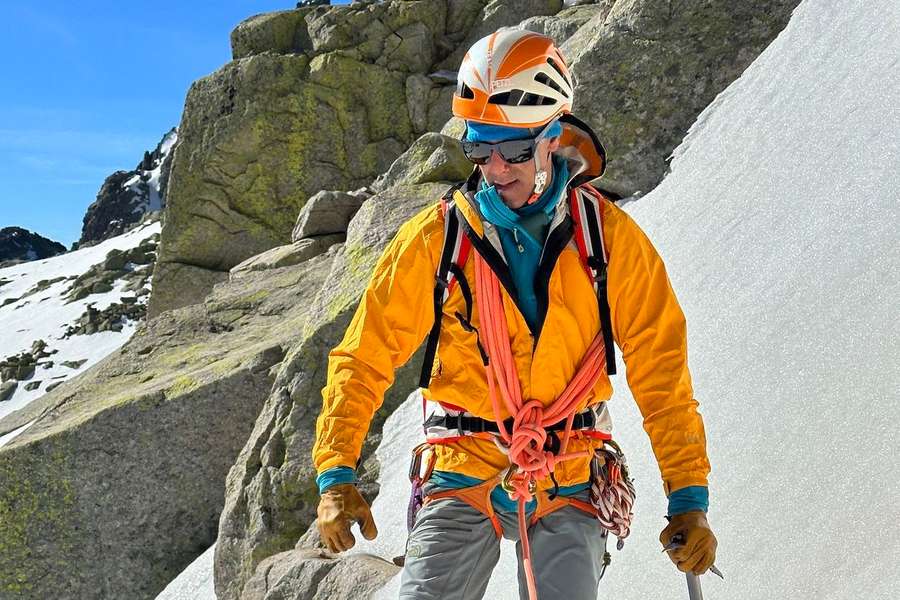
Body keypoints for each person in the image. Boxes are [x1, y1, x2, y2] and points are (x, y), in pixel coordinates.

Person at [312, 28, 717, 600]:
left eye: (515, 150)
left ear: (554, 137)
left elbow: (662, 375)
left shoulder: (610, 242)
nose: (496, 168)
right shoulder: (436, 240)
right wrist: (336, 472)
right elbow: (366, 354)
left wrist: (689, 499)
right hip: (459, 460)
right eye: (480, 148)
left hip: (571, 465)